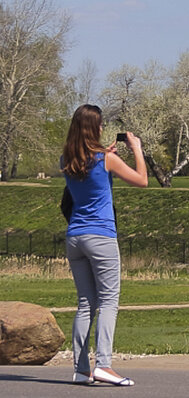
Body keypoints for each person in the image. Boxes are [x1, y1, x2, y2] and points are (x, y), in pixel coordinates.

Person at [60, 105, 148, 386]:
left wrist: (108, 155)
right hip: (101, 237)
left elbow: (91, 173)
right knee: (109, 302)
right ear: (93, 128)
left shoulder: (67, 159)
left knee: (86, 304)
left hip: (75, 237)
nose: (101, 128)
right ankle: (105, 365)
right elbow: (142, 180)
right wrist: (136, 149)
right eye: (99, 124)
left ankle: (81, 368)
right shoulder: (105, 160)